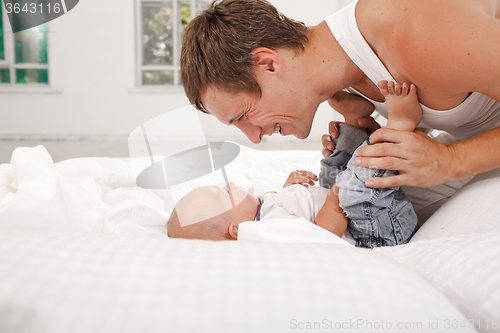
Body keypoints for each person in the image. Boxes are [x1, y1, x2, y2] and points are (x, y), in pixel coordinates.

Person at [180, 0, 500, 222]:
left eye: (242, 116)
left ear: (267, 64)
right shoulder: (346, 79)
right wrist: (398, 139)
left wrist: (453, 161)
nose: (254, 136)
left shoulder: (411, 31)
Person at [168, 82, 420, 247]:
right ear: (236, 229)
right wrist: (335, 200)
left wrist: (289, 186)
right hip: (378, 229)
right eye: (226, 193)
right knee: (354, 183)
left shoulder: (263, 208)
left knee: (333, 168)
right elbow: (322, 235)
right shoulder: (267, 231)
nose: (231, 183)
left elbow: (292, 208)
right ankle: (400, 125)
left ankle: (354, 120)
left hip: (359, 214)